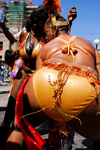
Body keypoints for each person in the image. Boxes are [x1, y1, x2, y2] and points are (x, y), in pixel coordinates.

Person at [6, 12, 100, 150]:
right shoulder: (88, 44)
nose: (46, 36)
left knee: (19, 125)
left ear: (54, 30)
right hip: (84, 85)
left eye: (46, 33)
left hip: (46, 80)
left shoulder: (46, 48)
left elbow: (40, 79)